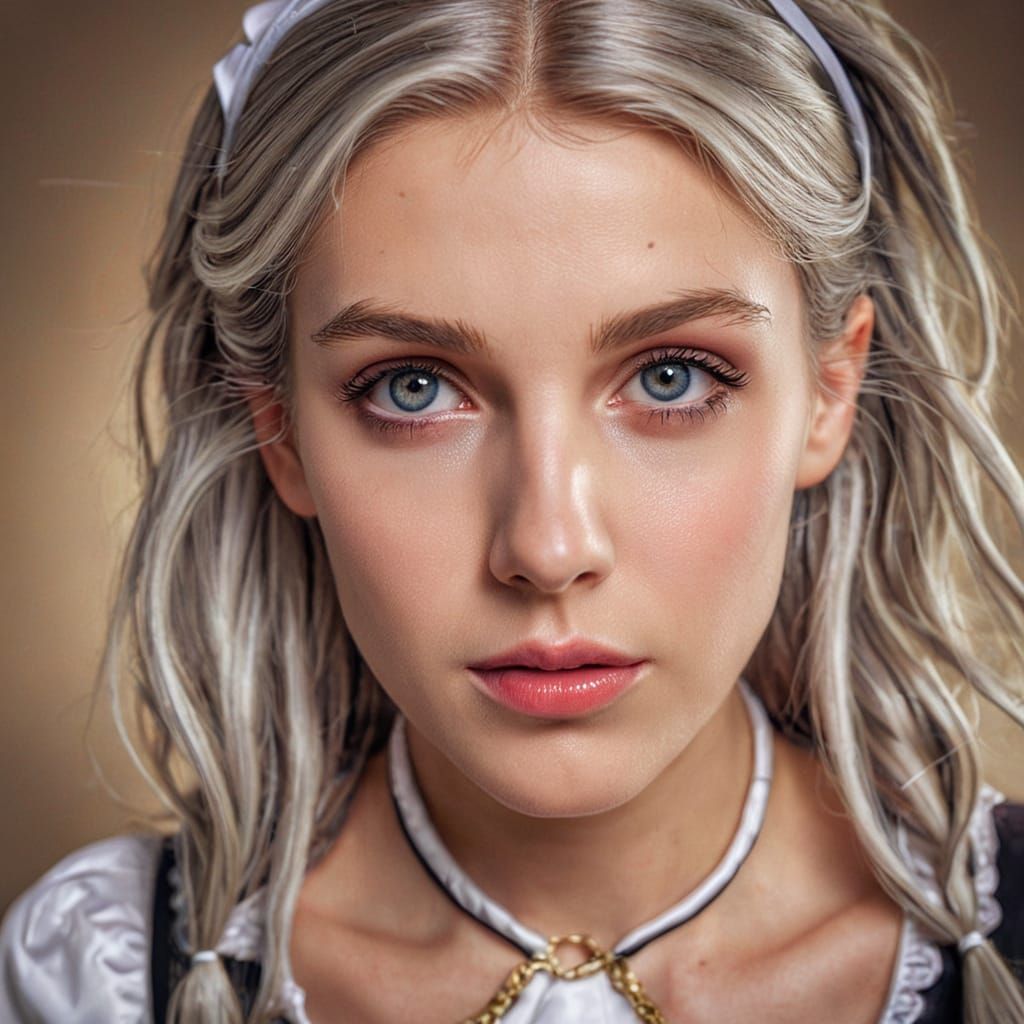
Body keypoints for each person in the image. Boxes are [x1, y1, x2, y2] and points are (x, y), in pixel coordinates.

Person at [2, 0, 1023, 1021]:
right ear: (280, 433)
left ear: (829, 392)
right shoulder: (100, 979)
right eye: (412, 388)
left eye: (670, 377)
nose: (546, 546)